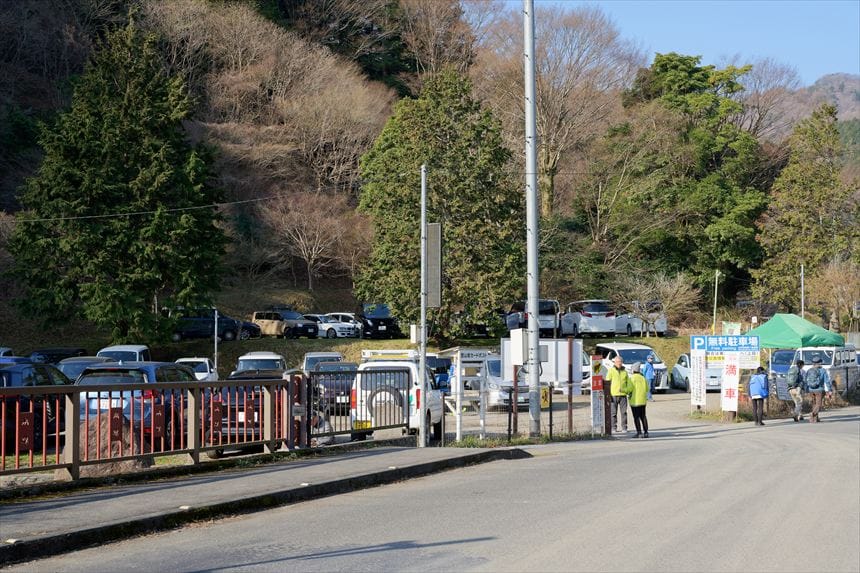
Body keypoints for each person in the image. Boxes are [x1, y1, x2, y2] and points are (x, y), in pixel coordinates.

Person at [606, 355, 631, 433]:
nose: (619, 363)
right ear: (615, 362)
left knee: (624, 412)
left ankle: (624, 428)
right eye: (618, 362)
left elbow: (629, 384)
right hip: (613, 395)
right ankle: (613, 428)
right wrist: (608, 394)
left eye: (620, 362)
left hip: (623, 395)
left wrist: (626, 390)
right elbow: (607, 382)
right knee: (613, 413)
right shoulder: (611, 371)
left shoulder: (625, 372)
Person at [803, 356, 831, 423]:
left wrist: (806, 390)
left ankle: (815, 419)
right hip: (819, 390)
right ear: (819, 363)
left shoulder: (809, 370)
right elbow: (826, 381)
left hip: (811, 389)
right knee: (818, 404)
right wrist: (829, 390)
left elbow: (805, 380)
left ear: (813, 363)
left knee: (814, 404)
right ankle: (812, 413)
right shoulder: (823, 370)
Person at [627, 362, 649, 438]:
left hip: (634, 401)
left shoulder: (632, 378)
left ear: (633, 370)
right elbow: (647, 389)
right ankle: (646, 432)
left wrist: (623, 389)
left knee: (636, 417)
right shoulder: (643, 378)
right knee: (643, 416)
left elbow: (629, 389)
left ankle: (639, 432)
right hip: (643, 401)